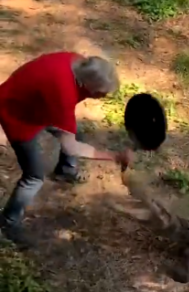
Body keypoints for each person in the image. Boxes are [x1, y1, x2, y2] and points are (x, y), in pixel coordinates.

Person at [0, 51, 133, 248]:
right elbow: (70, 147)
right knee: (34, 176)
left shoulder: (78, 62)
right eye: (100, 93)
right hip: (16, 114)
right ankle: (8, 223)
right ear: (87, 85)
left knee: (75, 131)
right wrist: (114, 156)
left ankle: (65, 171)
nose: (102, 97)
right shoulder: (62, 94)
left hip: (37, 103)